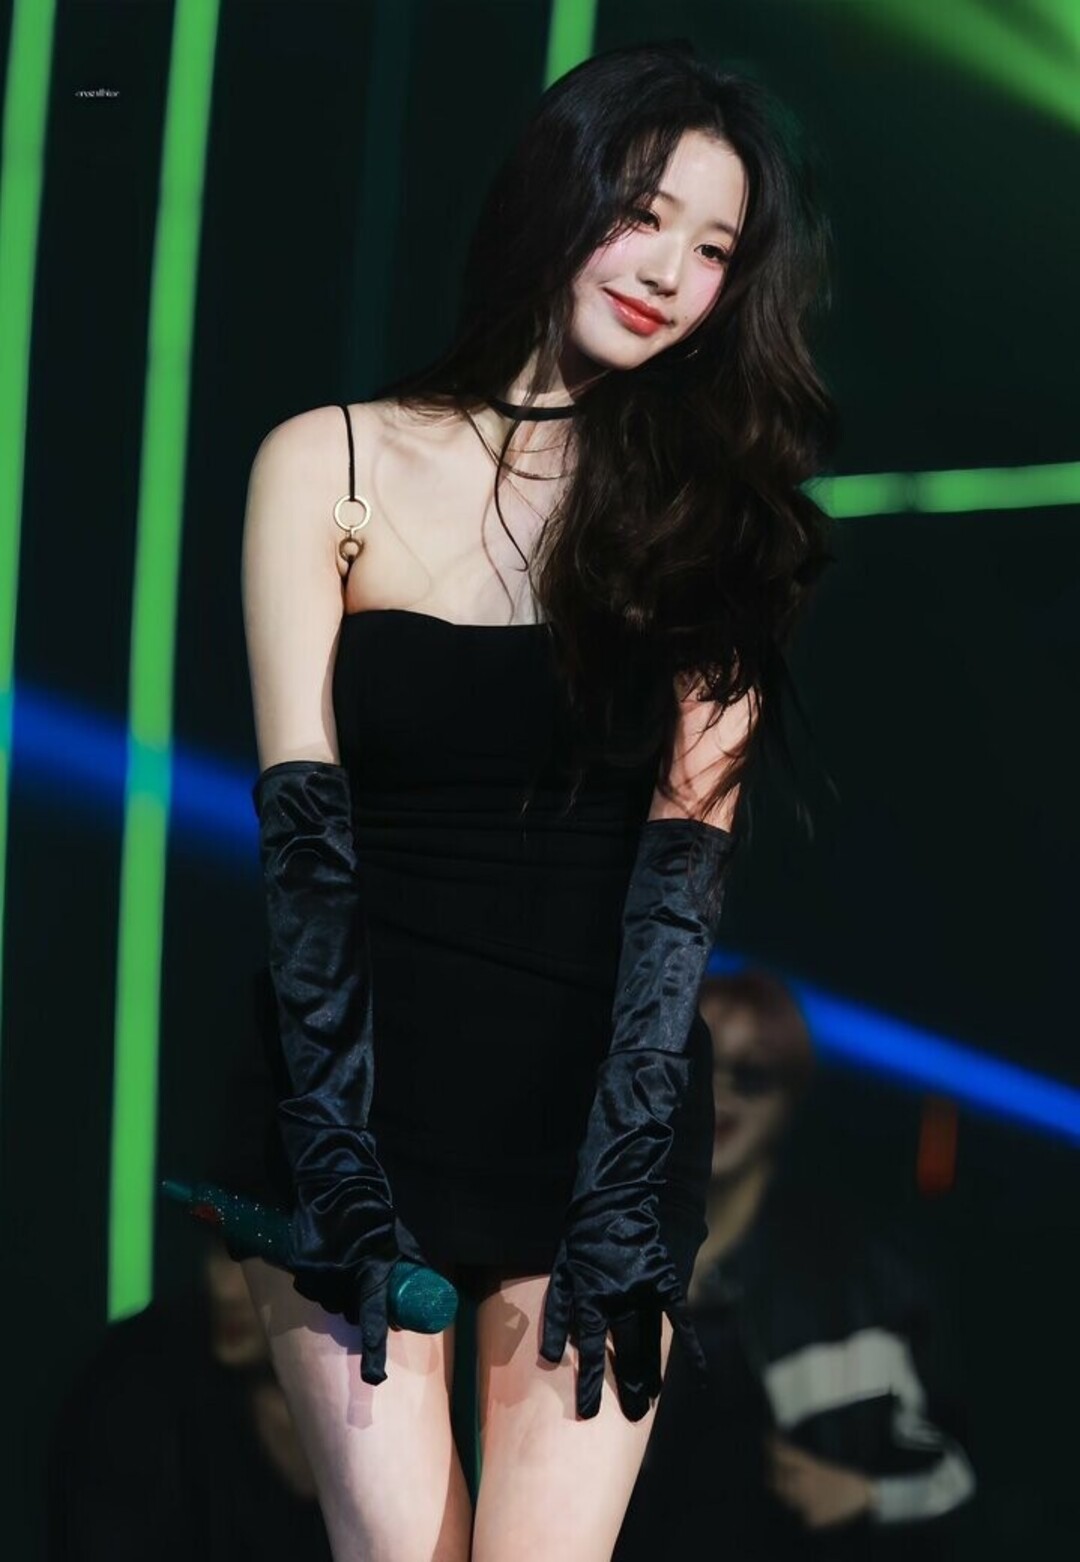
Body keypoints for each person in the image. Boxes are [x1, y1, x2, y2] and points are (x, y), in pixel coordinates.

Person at [235, 39, 838, 1561]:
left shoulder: (722, 518)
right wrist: (334, 1155)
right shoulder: (328, 460)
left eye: (716, 249)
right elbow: (302, 839)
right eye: (643, 213)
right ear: (556, 194)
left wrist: (621, 1184)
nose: (670, 273)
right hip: (355, 1105)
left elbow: (681, 880)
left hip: (595, 1129)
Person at [614, 970, 976, 1560]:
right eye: (699, 1064)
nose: (720, 1092)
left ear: (790, 1099)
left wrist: (865, 1494)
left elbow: (954, 1474)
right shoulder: (604, 1242)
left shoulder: (850, 1278)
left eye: (752, 1075)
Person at [47, 1232, 332, 1560]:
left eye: (267, 1258)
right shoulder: (135, 1383)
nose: (224, 1289)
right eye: (223, 1250)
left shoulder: (379, 1401)